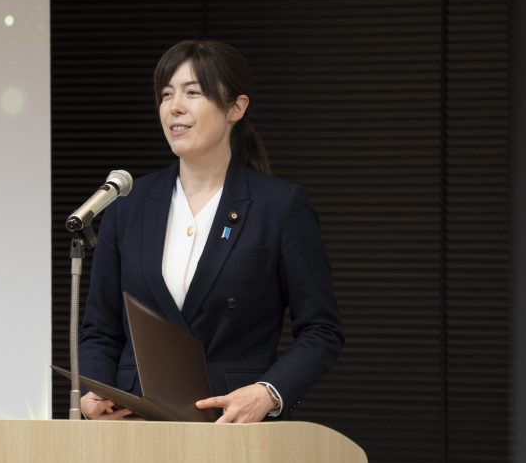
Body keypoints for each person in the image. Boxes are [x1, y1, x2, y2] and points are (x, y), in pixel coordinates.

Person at [78, 39, 344, 423]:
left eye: (193, 93)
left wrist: (267, 392)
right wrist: (95, 392)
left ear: (236, 107)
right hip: (135, 424)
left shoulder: (279, 206)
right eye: (166, 94)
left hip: (230, 423)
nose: (174, 107)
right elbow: (100, 330)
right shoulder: (128, 204)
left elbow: (321, 330)